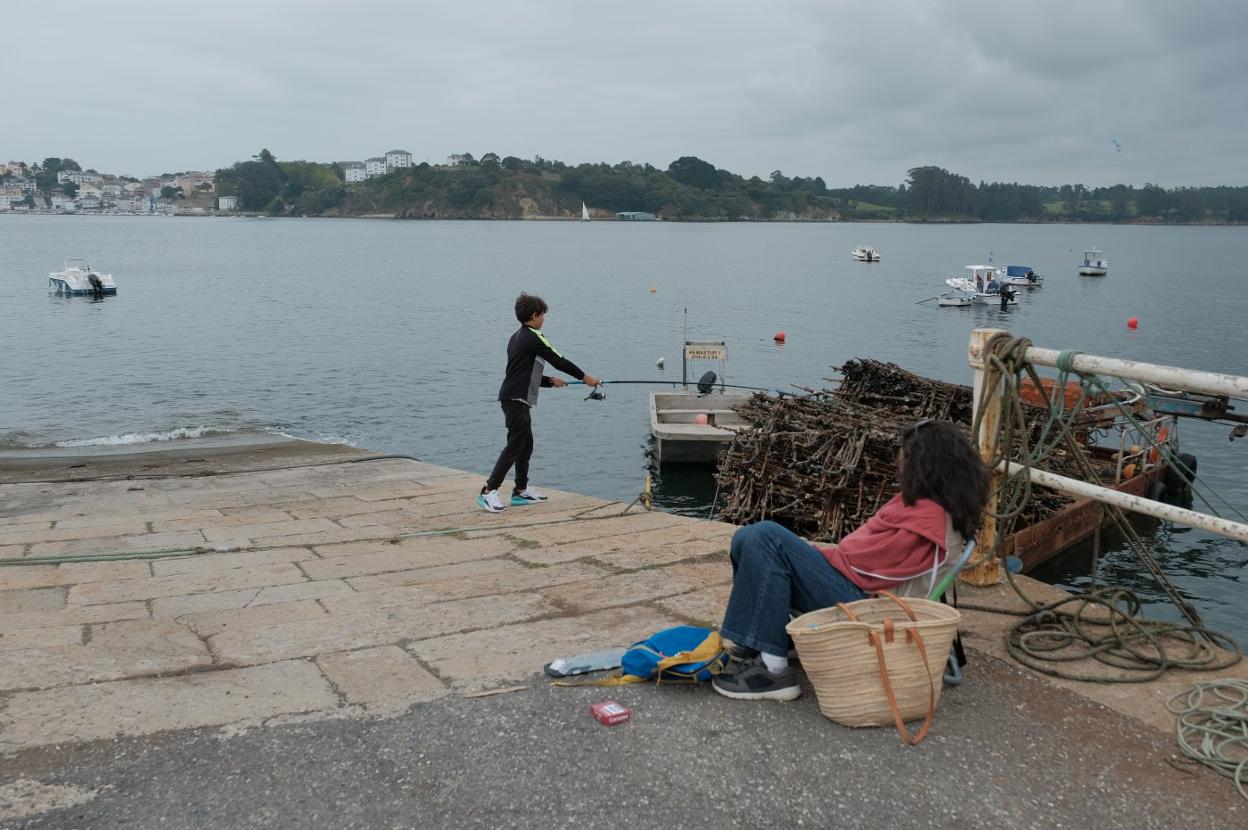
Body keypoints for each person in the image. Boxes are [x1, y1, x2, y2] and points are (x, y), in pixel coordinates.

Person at [711, 420, 989, 701]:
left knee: (766, 538)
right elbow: (868, 559)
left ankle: (774, 673)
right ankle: (764, 637)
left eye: (905, 455)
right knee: (745, 538)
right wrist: (813, 557)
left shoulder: (928, 518)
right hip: (865, 594)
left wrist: (814, 557)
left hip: (870, 609)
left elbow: (865, 569)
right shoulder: (939, 509)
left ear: (925, 464)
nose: (899, 461)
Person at [478, 292, 600, 513]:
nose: (543, 320)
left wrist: (548, 382)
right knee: (516, 445)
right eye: (542, 316)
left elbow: (520, 373)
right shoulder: (534, 336)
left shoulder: (515, 337)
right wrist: (585, 378)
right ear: (534, 315)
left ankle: (520, 491)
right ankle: (488, 491)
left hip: (514, 397)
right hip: (515, 399)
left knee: (526, 444)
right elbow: (558, 359)